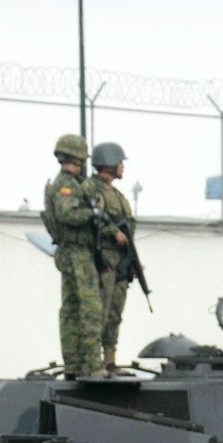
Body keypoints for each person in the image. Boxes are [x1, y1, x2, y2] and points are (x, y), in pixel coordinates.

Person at [40, 133, 104, 377]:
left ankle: (75, 363)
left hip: (74, 252)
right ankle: (90, 364)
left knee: (72, 309)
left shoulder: (70, 184)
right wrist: (93, 214)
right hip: (76, 253)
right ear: (78, 158)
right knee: (89, 308)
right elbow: (68, 215)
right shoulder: (66, 185)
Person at [86, 141, 136, 371]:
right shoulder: (92, 190)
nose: (122, 167)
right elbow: (94, 219)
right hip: (104, 260)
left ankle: (109, 361)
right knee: (101, 313)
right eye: (120, 163)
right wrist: (111, 232)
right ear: (110, 164)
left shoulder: (117, 195)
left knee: (115, 312)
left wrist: (134, 260)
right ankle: (93, 361)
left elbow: (127, 230)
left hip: (121, 261)